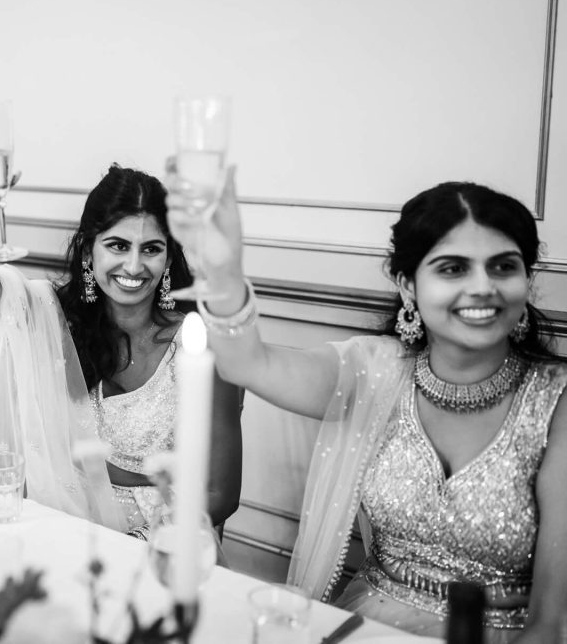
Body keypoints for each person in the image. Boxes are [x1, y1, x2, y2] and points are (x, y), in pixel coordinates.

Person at [169, 174, 567, 642]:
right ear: (407, 285)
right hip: (365, 625)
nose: (483, 287)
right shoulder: (375, 374)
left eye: (503, 267)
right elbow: (246, 363)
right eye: (453, 269)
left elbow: (552, 622)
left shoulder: (554, 402)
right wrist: (224, 269)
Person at [0, 164, 244, 534]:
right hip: (70, 526)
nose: (134, 266)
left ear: (168, 260)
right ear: (89, 251)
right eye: (118, 245)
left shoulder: (200, 348)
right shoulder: (57, 320)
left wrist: (141, 545)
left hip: (165, 539)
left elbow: (221, 493)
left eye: (151, 249)